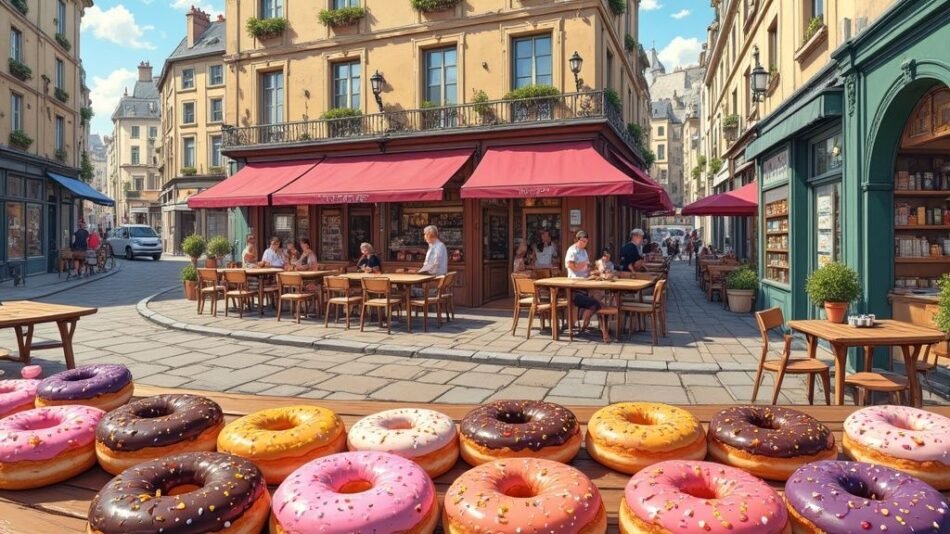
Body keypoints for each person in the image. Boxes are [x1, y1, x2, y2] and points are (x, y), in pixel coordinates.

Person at [564, 230, 608, 342]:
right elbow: (570, 265)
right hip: (575, 284)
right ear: (577, 240)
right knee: (596, 301)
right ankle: (586, 321)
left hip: (585, 281)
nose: (584, 243)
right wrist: (583, 265)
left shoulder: (584, 251)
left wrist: (593, 271)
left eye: (586, 241)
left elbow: (587, 267)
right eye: (582, 241)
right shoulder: (572, 250)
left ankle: (589, 320)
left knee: (600, 294)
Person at [413, 225, 447, 297]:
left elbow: (434, 265)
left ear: (430, 235)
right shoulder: (434, 246)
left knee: (410, 288)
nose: (424, 237)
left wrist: (420, 272)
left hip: (435, 280)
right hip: (434, 277)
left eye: (425, 234)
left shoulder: (438, 247)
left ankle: (416, 301)